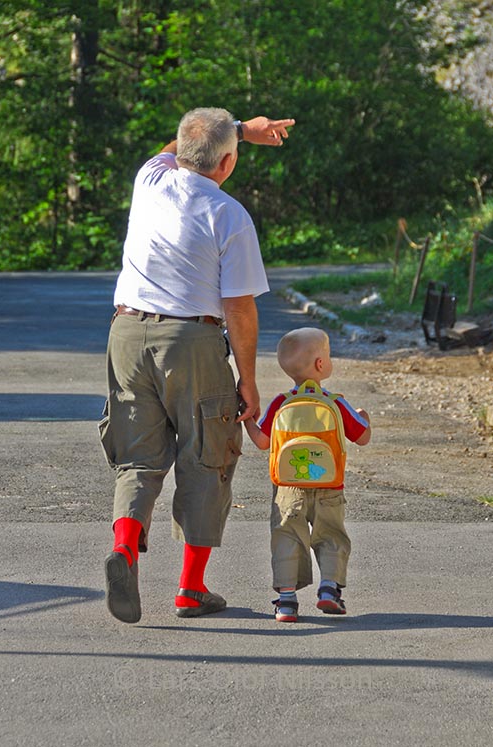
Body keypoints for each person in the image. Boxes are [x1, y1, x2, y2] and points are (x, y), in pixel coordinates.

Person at [99, 107, 295, 623]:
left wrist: (239, 132)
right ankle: (190, 588)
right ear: (228, 163)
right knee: (207, 454)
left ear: (182, 151)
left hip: (126, 331)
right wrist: (248, 382)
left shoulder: (150, 179)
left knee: (138, 457)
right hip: (192, 338)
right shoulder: (228, 214)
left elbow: (177, 146)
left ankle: (124, 547)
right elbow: (239, 308)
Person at [244, 327, 371, 622]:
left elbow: (263, 441)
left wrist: (249, 421)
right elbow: (362, 436)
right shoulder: (336, 402)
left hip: (288, 488)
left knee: (287, 537)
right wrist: (364, 416)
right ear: (320, 365)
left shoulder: (279, 403)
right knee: (331, 536)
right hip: (330, 486)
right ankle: (329, 590)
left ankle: (286, 602)